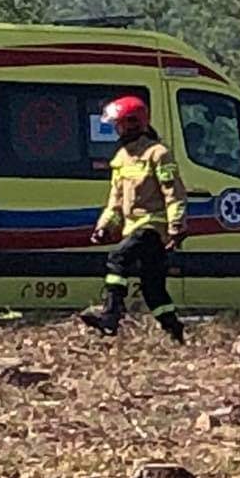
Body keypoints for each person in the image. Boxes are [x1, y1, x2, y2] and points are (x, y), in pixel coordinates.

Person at [84, 94, 187, 342]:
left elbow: (174, 192)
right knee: (153, 289)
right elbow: (116, 201)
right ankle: (176, 332)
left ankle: (110, 316)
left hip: (153, 226)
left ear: (132, 123)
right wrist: (104, 227)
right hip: (133, 228)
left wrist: (176, 227)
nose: (116, 129)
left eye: (118, 124)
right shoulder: (121, 158)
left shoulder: (158, 154)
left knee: (117, 259)